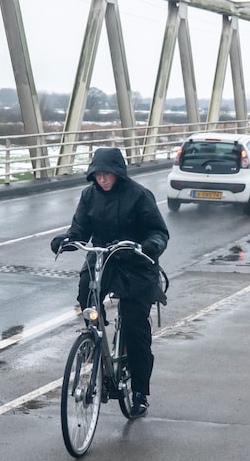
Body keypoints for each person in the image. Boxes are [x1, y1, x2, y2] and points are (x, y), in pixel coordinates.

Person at [51, 147, 169, 418]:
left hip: (136, 263)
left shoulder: (139, 195)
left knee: (135, 328)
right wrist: (66, 241)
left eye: (108, 175)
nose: (103, 180)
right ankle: (96, 344)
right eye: (98, 175)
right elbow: (80, 230)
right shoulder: (89, 195)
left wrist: (150, 246)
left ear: (119, 173)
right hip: (103, 259)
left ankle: (139, 393)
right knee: (86, 295)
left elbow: (159, 231)